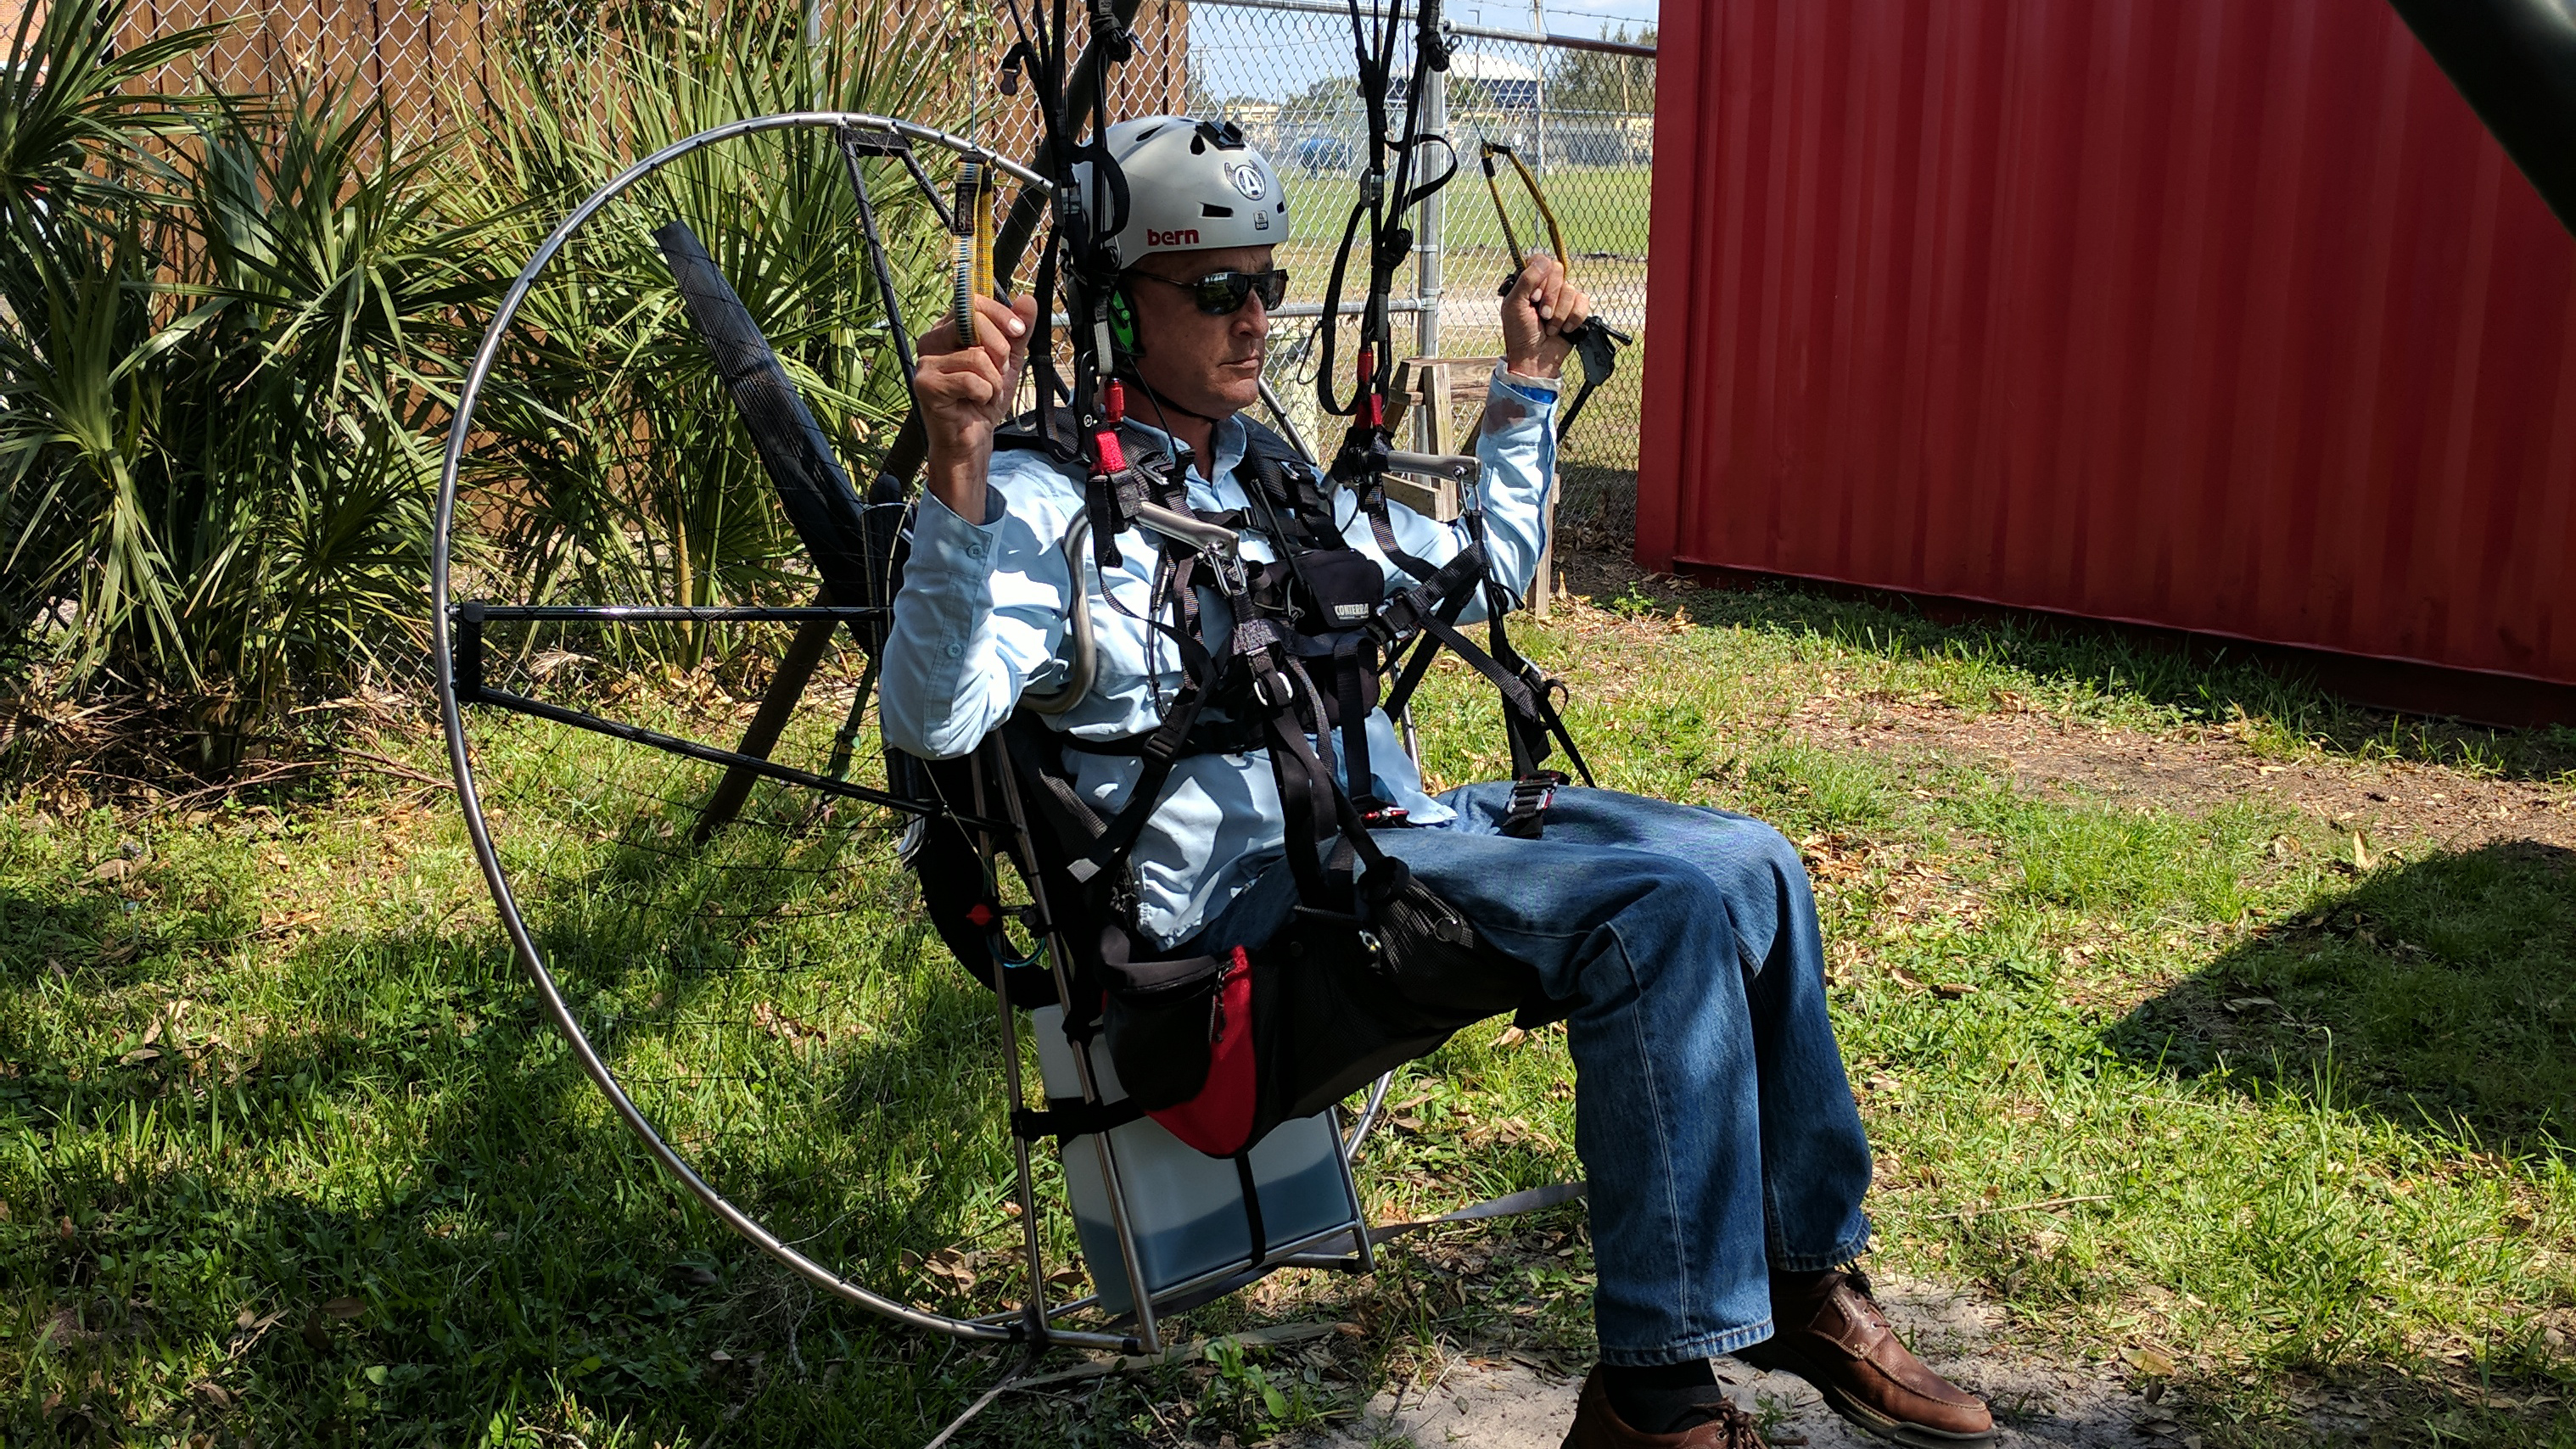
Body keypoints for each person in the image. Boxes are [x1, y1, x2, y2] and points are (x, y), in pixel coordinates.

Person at [881, 117, 1996, 1449]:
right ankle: (1655, 1401)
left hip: (1391, 844)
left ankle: (1807, 1279)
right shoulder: (1039, 504)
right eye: (1218, 289)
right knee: (1658, 917)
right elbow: (935, 715)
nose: (1255, 320)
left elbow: (1481, 562)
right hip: (1255, 946)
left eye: (1269, 283)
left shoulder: (1269, 476)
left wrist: (1524, 385)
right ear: (1119, 311)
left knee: (1751, 860)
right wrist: (953, 471)